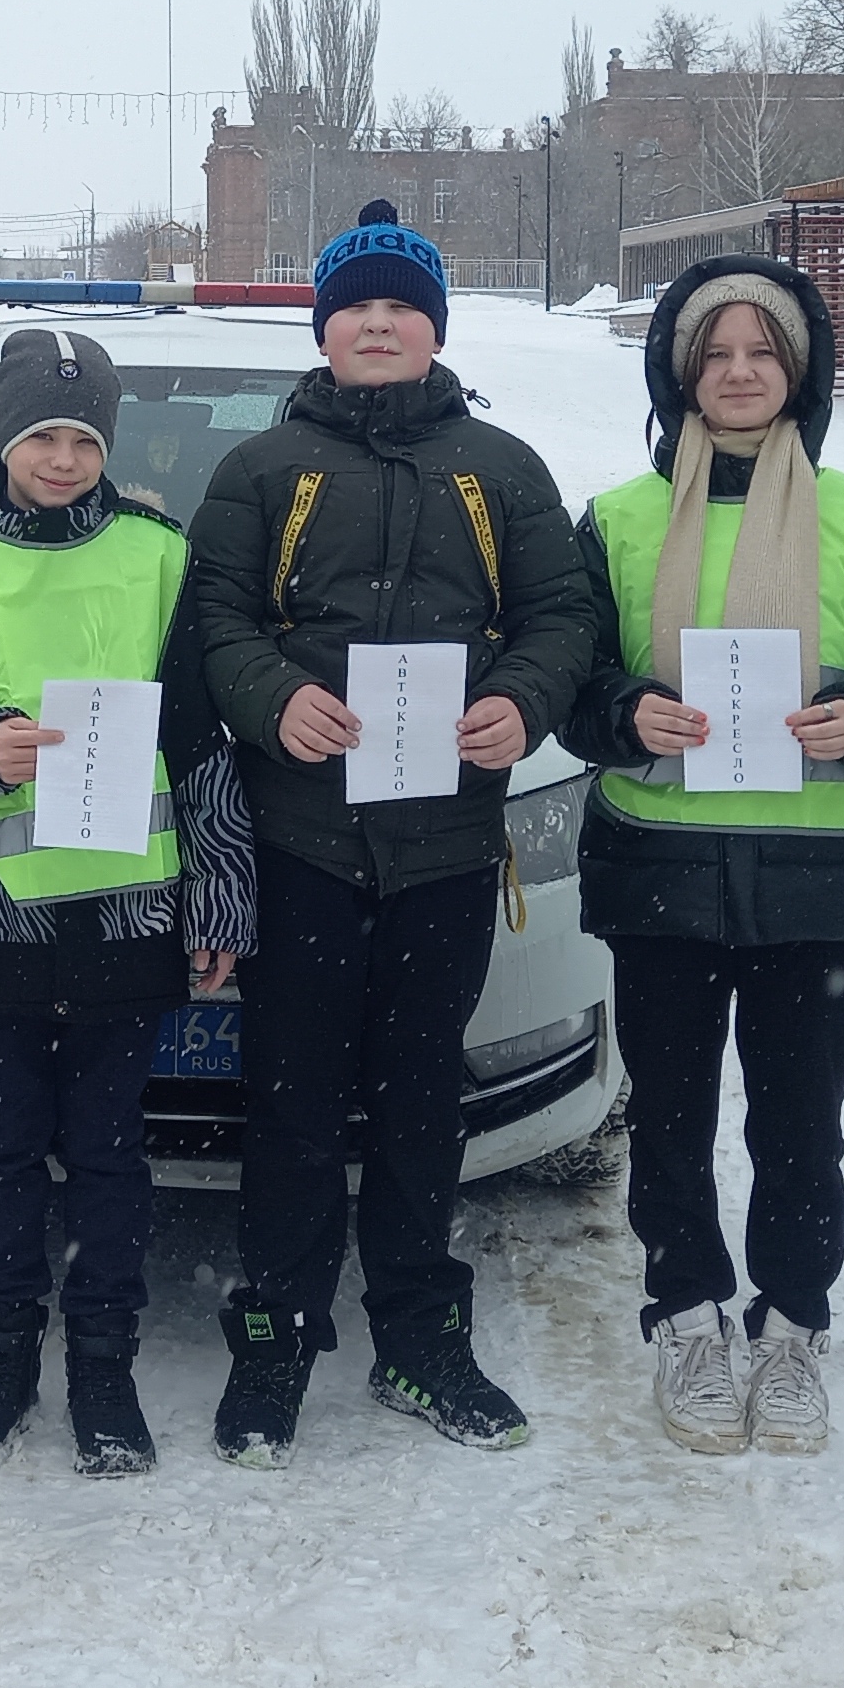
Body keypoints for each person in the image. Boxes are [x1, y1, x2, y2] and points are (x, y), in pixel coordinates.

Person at [183, 201, 604, 1464]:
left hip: (445, 853)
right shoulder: (264, 469)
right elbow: (213, 618)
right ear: (324, 329)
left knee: (423, 1104)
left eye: (401, 306)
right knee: (293, 1105)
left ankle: (420, 1338)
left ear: (433, 328)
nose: (378, 322)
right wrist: (273, 698)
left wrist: (517, 704)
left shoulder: (501, 468)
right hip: (300, 845)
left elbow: (560, 614)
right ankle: (274, 1337)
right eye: (356, 306)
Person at [561, 257, 844, 1457]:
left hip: (812, 878)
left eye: (762, 354)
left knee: (800, 1122)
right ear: (679, 375)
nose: (738, 374)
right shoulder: (619, 518)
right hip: (662, 868)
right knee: (670, 1117)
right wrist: (626, 713)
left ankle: (791, 1325)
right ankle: (686, 1313)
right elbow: (567, 680)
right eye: (714, 355)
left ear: (798, 372)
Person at [0, 327, 255, 1475]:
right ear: (5, 434)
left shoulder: (155, 554)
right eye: (42, 433)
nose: (61, 457)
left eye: (83, 438)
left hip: (126, 914)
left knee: (108, 1156)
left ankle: (104, 1372)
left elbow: (200, 744)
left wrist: (221, 900)